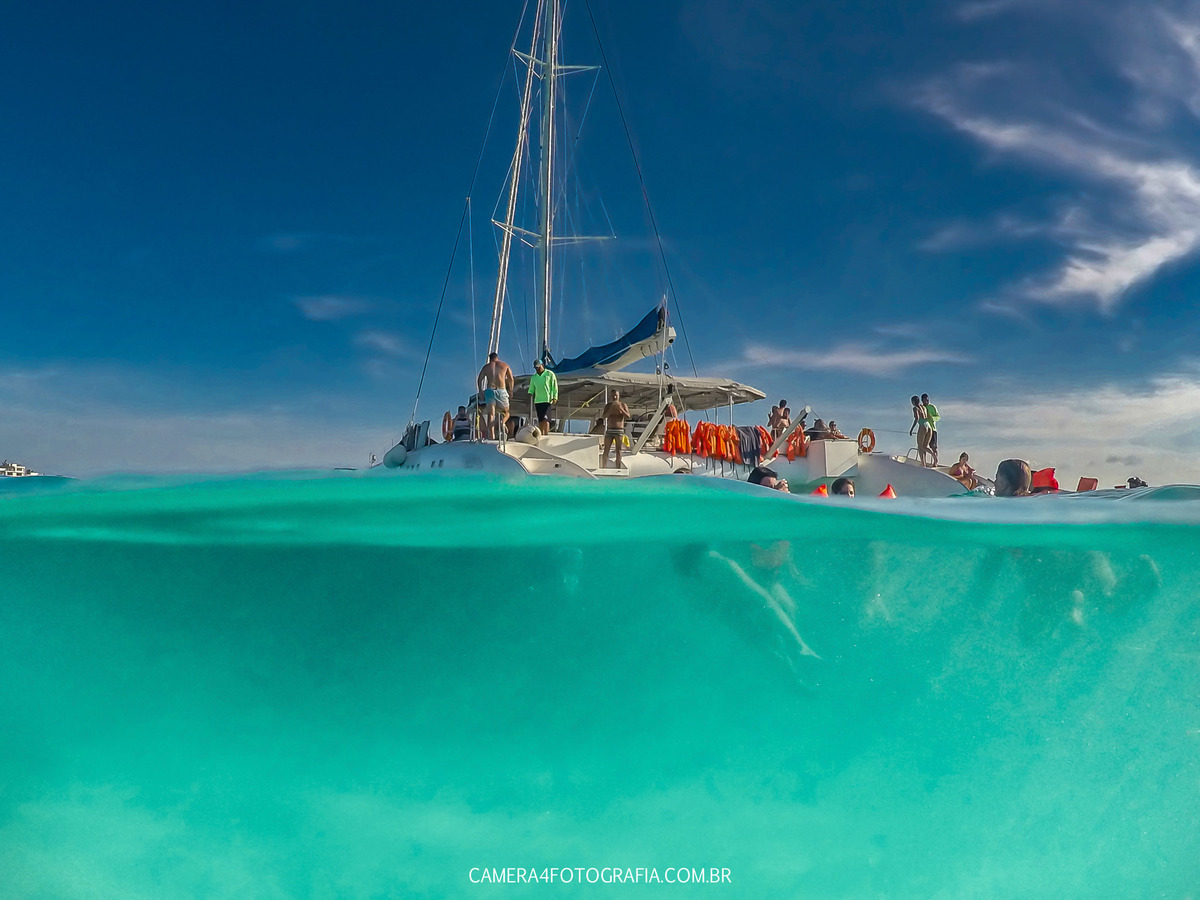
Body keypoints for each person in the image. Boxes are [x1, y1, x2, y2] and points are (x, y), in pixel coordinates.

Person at [476, 352, 514, 439]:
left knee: (491, 414)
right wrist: (511, 390)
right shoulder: (505, 365)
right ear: (497, 358)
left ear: (490, 359)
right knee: (506, 412)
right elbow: (511, 379)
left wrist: (481, 391)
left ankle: (492, 436)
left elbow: (480, 379)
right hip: (501, 390)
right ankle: (503, 422)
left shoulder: (486, 367)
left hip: (490, 391)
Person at [600, 390, 632, 468]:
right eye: (613, 396)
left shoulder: (623, 405)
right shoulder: (608, 406)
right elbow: (604, 417)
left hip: (619, 430)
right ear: (611, 396)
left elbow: (628, 416)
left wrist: (621, 409)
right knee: (606, 450)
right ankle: (604, 467)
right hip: (610, 429)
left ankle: (618, 468)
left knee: (619, 450)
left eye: (616, 395)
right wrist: (610, 409)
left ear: (619, 396)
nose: (614, 397)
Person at [528, 360, 558, 435]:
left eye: (538, 367)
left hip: (547, 400)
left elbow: (554, 386)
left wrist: (555, 397)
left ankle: (546, 435)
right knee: (541, 420)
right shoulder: (534, 377)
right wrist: (530, 395)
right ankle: (541, 434)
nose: (537, 369)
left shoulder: (550, 374)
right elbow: (531, 390)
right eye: (535, 368)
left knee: (546, 419)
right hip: (538, 401)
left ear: (542, 365)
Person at [909, 395, 931, 467]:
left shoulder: (915, 408)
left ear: (913, 402)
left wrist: (912, 429)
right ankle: (934, 456)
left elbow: (917, 418)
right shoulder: (923, 407)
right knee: (925, 446)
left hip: (922, 426)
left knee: (920, 446)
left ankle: (923, 463)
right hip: (928, 425)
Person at [921, 393, 940, 466]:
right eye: (925, 400)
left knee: (933, 447)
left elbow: (938, 417)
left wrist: (932, 417)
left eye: (927, 400)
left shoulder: (932, 407)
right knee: (924, 446)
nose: (926, 401)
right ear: (922, 400)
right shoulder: (922, 407)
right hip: (925, 429)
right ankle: (924, 462)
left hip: (932, 429)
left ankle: (935, 462)